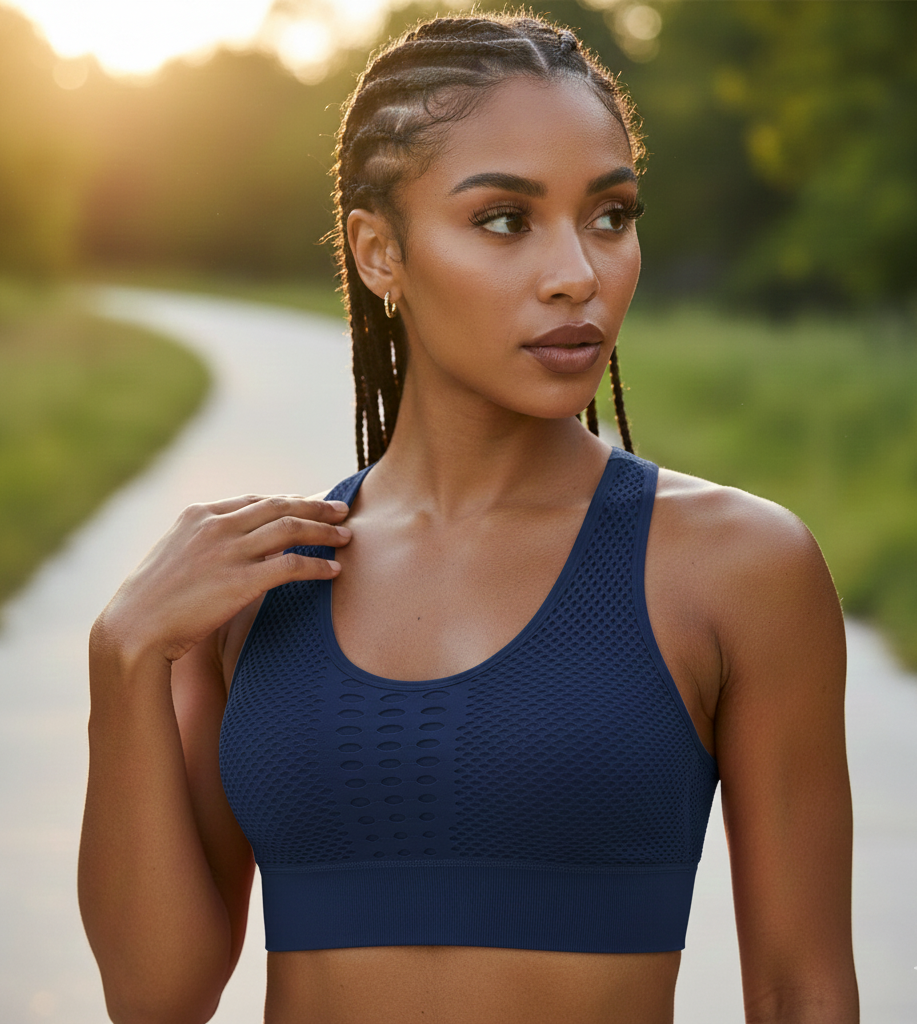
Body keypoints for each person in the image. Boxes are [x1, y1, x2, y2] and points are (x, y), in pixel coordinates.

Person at [78, 13, 859, 1024]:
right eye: (504, 219)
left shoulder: (736, 568)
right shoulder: (259, 583)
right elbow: (155, 995)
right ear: (377, 252)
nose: (576, 270)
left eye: (609, 215)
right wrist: (123, 655)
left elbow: (801, 990)